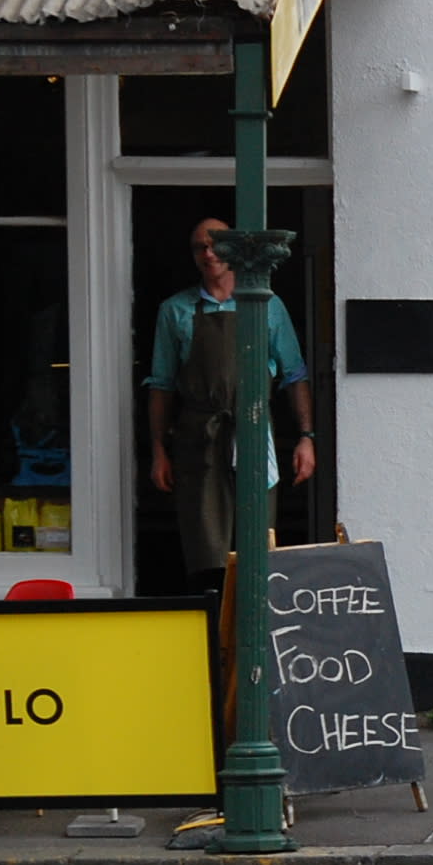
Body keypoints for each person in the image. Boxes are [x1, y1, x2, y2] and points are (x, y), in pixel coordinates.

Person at [144, 218, 314, 590]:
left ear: (234, 249)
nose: (207, 253)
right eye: (198, 247)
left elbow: (294, 374)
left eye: (215, 244)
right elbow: (161, 384)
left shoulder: (266, 305)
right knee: (206, 546)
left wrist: (305, 436)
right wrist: (158, 448)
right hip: (199, 437)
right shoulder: (176, 310)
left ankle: (251, 635)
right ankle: (213, 633)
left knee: (257, 545)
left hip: (253, 432)